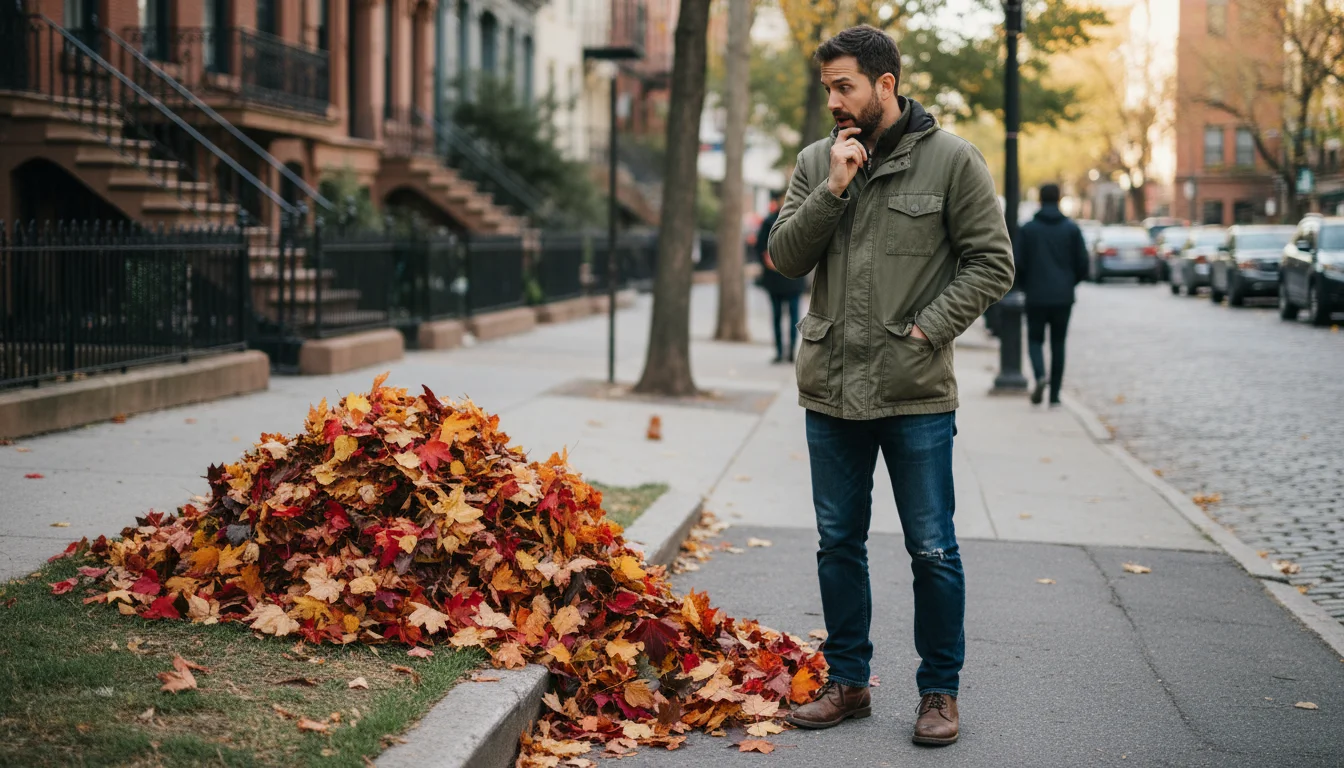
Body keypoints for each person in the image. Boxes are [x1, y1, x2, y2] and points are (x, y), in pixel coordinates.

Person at [768, 26, 1014, 745]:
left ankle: (939, 693)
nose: (835, 102)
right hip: (832, 390)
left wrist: (925, 328)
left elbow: (991, 264)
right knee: (837, 542)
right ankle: (849, 683)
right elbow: (785, 257)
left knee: (933, 548)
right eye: (827, 90)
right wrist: (836, 189)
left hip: (914, 394)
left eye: (844, 86)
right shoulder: (819, 161)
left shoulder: (953, 161)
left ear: (885, 83)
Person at [1015, 183, 1089, 407]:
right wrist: (1069, 283)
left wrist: (1026, 285)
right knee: (1058, 343)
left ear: (1039, 200)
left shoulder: (1028, 229)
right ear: (1058, 200)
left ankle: (1039, 376)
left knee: (1035, 340)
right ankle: (1055, 395)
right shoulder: (1071, 229)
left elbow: (1017, 263)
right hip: (1063, 297)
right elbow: (1083, 264)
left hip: (1036, 296)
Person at [755, 194, 809, 363]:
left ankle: (791, 352)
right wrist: (769, 262)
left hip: (794, 279)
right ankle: (780, 352)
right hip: (775, 279)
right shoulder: (769, 221)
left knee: (793, 317)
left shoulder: (800, 219)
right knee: (777, 316)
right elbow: (760, 247)